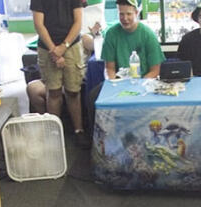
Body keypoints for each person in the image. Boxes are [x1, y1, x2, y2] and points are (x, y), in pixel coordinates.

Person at [31, 0, 89, 149]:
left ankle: (78, 131)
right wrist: (54, 50)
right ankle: (54, 133)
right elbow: (38, 24)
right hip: (47, 48)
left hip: (71, 45)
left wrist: (63, 47)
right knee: (53, 91)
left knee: (73, 91)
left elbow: (78, 22)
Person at [101, 0, 165, 79]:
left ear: (136, 13)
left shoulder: (148, 35)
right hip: (120, 83)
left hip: (144, 82)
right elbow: (109, 69)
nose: (125, 18)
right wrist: (113, 83)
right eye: (121, 14)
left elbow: (155, 70)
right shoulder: (111, 34)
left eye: (129, 14)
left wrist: (139, 85)